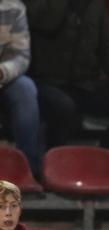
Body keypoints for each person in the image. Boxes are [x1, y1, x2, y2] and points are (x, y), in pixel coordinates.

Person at [24, 0, 109, 153]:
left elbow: (107, 44)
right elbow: (46, 21)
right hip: (46, 82)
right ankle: (53, 158)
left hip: (84, 83)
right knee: (63, 106)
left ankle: (103, 156)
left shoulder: (96, 4)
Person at [0, 0, 42, 176]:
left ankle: (27, 169)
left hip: (3, 76)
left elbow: (21, 56)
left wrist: (3, 72)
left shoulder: (14, 8)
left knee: (26, 88)